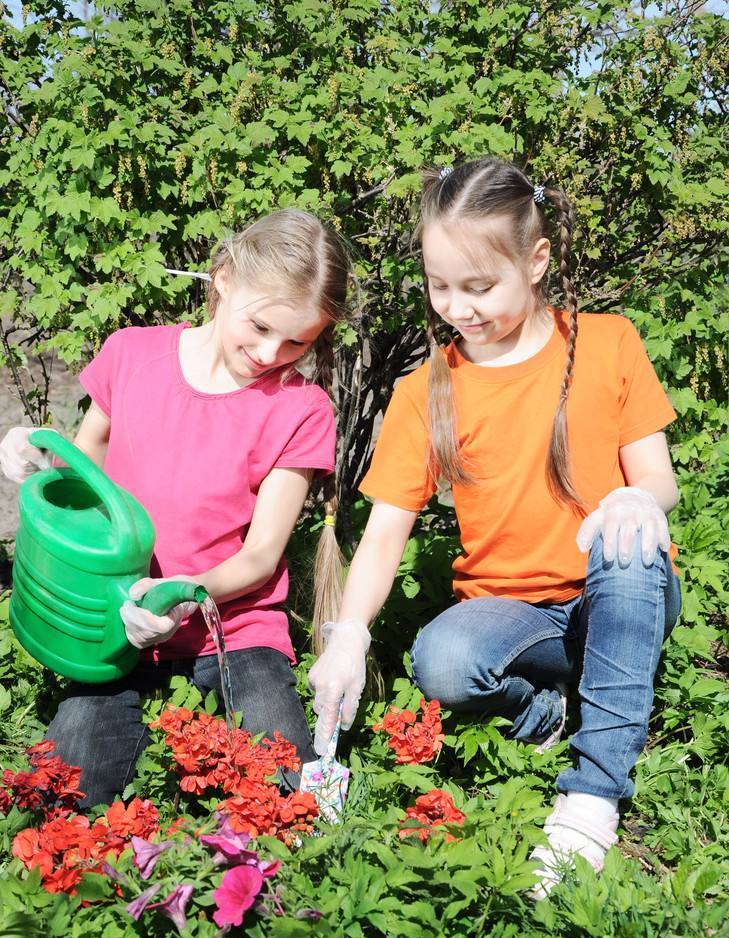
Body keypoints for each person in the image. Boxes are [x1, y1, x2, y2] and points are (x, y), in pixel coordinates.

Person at [308, 158, 681, 897]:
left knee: (628, 548)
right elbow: (386, 532)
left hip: (623, 589)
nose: (459, 306)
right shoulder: (427, 389)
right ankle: (550, 706)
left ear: (536, 260)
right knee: (441, 661)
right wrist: (348, 635)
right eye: (440, 286)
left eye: (479, 286)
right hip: (518, 616)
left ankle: (590, 800)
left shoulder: (607, 343)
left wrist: (640, 503)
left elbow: (657, 479)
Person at [1, 209, 350, 808]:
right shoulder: (134, 356)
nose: (271, 353)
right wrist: (37, 459)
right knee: (58, 791)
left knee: (288, 787)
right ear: (222, 279)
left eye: (298, 341)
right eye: (261, 326)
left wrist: (183, 595)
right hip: (118, 622)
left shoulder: (302, 408)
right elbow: (87, 475)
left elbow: (262, 556)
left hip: (234, 625)